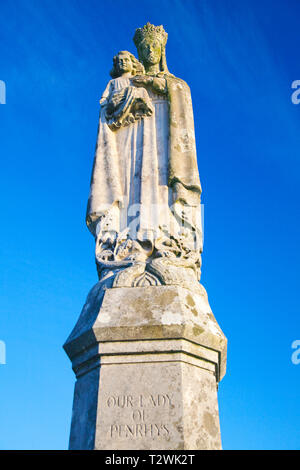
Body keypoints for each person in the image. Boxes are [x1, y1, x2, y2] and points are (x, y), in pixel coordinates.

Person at [86, 24, 203, 287]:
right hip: (131, 145)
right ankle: (132, 245)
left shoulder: (176, 85)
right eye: (145, 47)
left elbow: (181, 98)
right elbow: (108, 113)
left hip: (164, 148)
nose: (150, 50)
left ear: (161, 50)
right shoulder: (125, 82)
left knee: (161, 192)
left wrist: (156, 85)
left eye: (154, 46)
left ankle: (166, 244)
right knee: (132, 189)